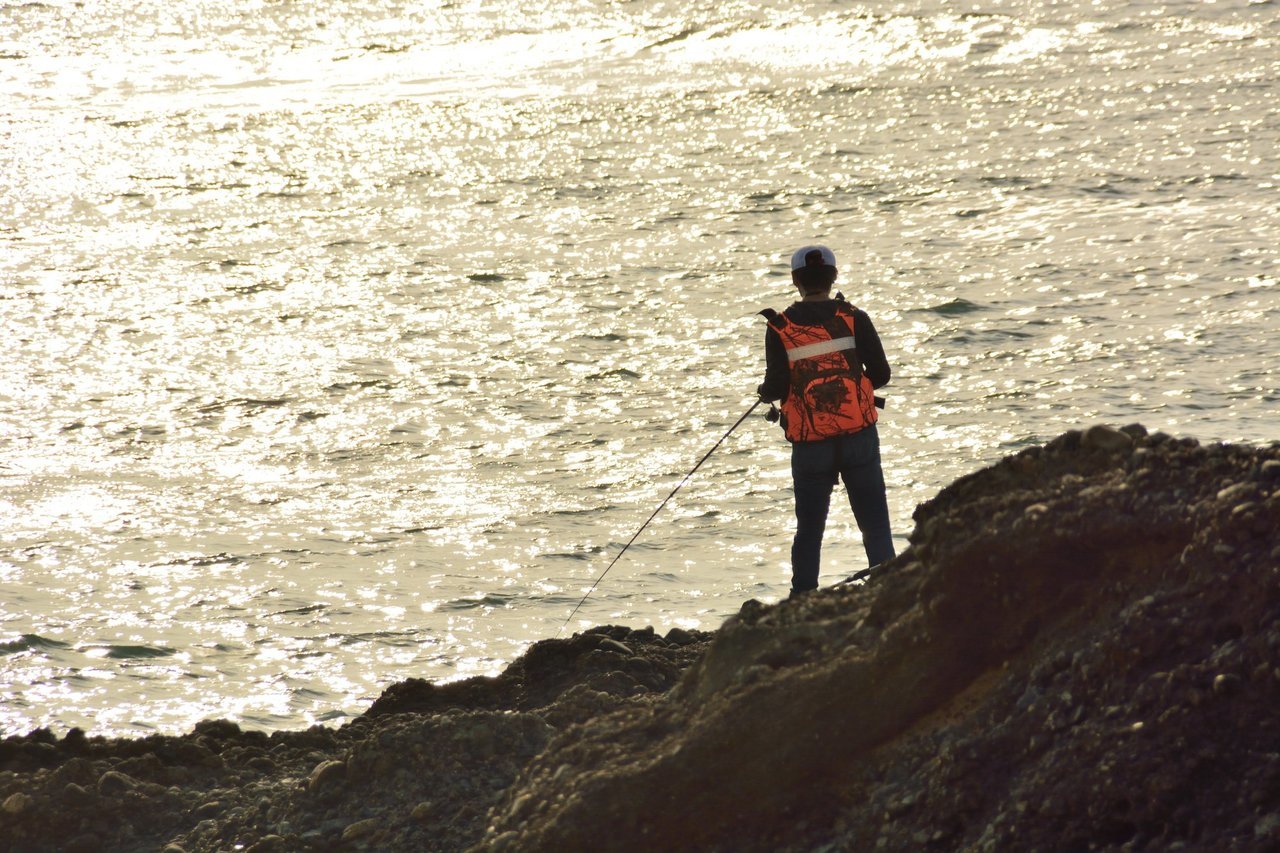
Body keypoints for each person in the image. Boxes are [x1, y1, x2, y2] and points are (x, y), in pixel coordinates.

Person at [757, 245, 896, 596]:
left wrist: (763, 391)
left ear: (794, 280)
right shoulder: (853, 317)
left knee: (810, 527)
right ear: (834, 277)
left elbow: (776, 386)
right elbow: (881, 374)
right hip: (859, 435)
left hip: (809, 443)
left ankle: (802, 597)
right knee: (874, 522)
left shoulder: (780, 326)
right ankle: (891, 590)